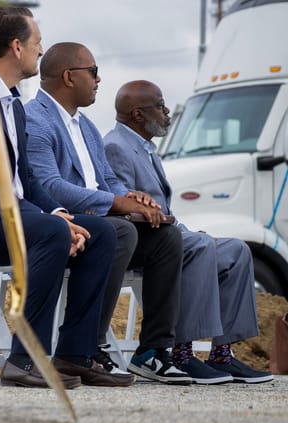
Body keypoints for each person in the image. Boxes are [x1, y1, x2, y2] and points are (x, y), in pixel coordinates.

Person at [0, 7, 133, 387]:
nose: (42, 52)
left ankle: (74, 355)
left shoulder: (13, 106)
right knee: (50, 232)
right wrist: (51, 221)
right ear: (17, 46)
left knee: (104, 232)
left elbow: (26, 181)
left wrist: (59, 212)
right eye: (38, 43)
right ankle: (24, 360)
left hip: (6, 218)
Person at [25, 42, 192, 385]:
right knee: (119, 230)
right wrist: (116, 204)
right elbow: (48, 186)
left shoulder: (85, 126)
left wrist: (132, 197)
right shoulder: (35, 120)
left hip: (101, 227)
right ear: (70, 77)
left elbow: (107, 180)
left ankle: (153, 351)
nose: (100, 80)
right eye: (94, 72)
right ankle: (85, 347)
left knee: (166, 238)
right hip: (62, 227)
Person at [103, 79, 274, 384]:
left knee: (237, 250)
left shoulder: (145, 147)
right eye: (159, 105)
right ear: (138, 114)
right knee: (200, 246)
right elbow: (121, 202)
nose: (167, 111)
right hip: (144, 243)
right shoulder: (116, 145)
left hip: (169, 233)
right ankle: (180, 353)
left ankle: (222, 355)